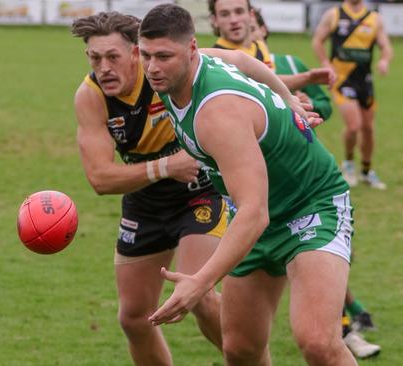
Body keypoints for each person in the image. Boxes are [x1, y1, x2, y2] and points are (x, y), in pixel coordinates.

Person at [71, 11, 316, 365]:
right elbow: (100, 178)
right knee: (134, 317)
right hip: (145, 201)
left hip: (199, 190)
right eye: (95, 59)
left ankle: (250, 360)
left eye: (113, 57)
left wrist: (288, 98)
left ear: (136, 53)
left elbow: (241, 60)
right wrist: (165, 166)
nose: (104, 67)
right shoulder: (91, 95)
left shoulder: (165, 67)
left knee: (200, 295)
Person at [139, 4, 357, 365]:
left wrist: (201, 281)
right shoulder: (176, 69)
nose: (152, 67)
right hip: (259, 214)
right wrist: (288, 98)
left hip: (310, 206)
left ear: (190, 49)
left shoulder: (218, 113)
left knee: (318, 342)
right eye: (146, 55)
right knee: (240, 349)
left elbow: (255, 213)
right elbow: (240, 58)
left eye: (164, 56)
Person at [252, 8, 380, 359]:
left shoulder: (289, 64)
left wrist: (307, 107)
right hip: (251, 196)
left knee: (319, 273)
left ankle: (348, 327)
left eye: (250, 20)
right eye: (229, 15)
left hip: (305, 186)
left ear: (263, 27)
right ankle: (353, 317)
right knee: (239, 346)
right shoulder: (218, 73)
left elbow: (321, 105)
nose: (242, 25)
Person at [312, 0, 393, 189]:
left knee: (368, 128)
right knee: (354, 126)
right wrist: (325, 62)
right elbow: (317, 40)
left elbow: (386, 46)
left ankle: (366, 171)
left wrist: (384, 61)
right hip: (342, 80)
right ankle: (348, 164)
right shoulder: (334, 15)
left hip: (364, 81)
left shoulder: (374, 19)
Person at [209, 0, 333, 90]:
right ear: (214, 20)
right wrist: (306, 78)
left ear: (251, 15)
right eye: (225, 14)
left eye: (239, 11)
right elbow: (260, 84)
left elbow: (269, 84)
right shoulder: (215, 59)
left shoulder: (259, 46)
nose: (234, 20)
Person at [250, 8, 332, 121]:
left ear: (263, 30)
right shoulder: (232, 70)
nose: (248, 36)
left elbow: (326, 106)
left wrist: (309, 102)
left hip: (298, 137)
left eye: (252, 29)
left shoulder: (291, 63)